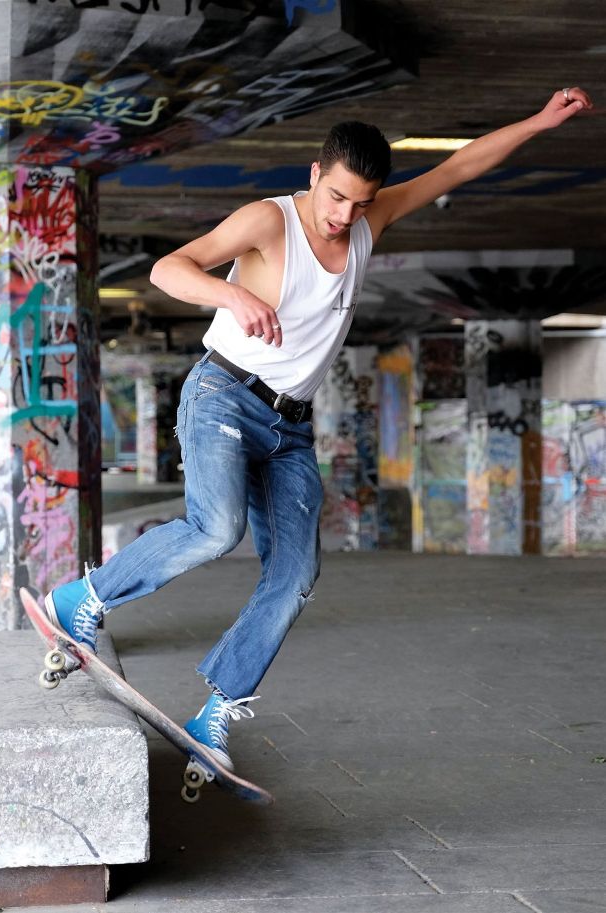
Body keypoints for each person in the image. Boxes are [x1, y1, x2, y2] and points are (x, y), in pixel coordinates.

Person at [44, 86, 592, 773]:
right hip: (223, 395)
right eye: (335, 197)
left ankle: (215, 711)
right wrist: (231, 293)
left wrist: (538, 120)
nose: (343, 216)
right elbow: (168, 268)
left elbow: (459, 166)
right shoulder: (269, 221)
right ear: (314, 173)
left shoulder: (367, 219)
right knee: (217, 528)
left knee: (297, 574)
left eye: (360, 203)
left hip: (291, 427)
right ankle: (83, 598)